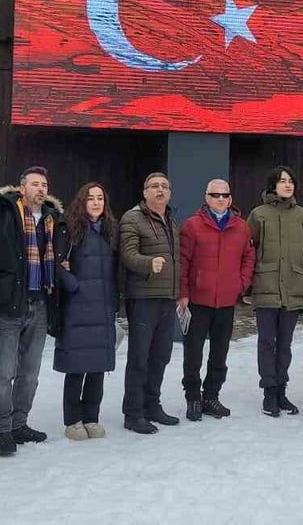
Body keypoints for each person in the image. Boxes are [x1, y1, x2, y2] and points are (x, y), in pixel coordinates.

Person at [0, 114, 64, 456]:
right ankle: (2, 430)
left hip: (39, 306)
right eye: (35, 184)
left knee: (31, 374)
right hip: (10, 306)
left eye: (44, 185)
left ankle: (20, 423)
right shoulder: (3, 211)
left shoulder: (53, 221)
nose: (41, 189)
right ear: (22, 188)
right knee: (3, 373)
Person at [177, 179, 254, 421]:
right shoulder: (192, 226)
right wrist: (183, 293)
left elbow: (248, 258)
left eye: (224, 195)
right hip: (198, 301)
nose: (220, 199)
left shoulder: (241, 227)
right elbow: (183, 261)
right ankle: (192, 397)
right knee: (193, 353)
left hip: (226, 302)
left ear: (230, 199)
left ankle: (211, 396)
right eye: (215, 194)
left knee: (220, 352)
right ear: (206, 197)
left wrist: (240, 283)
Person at [249, 165, 303, 418]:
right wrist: (248, 287)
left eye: (290, 181)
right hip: (266, 286)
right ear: (272, 185)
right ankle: (269, 392)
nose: (288, 185)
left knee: (286, 343)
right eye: (282, 181)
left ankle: (282, 390)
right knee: (267, 342)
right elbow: (248, 251)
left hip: (294, 287)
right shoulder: (258, 214)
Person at [54, 183, 120, 441]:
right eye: (90, 198)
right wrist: (74, 284)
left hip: (103, 307)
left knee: (97, 367)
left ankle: (92, 417)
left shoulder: (111, 231)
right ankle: (72, 420)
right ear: (82, 202)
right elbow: (56, 263)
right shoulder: (69, 228)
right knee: (76, 366)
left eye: (100, 198)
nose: (95, 202)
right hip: (77, 306)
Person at [120, 172, 182, 434]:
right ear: (144, 192)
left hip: (167, 299)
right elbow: (128, 253)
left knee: (160, 356)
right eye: (154, 186)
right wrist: (149, 263)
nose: (160, 190)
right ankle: (133, 413)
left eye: (164, 186)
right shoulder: (132, 218)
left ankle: (152, 405)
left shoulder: (171, 220)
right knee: (139, 358)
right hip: (143, 298)